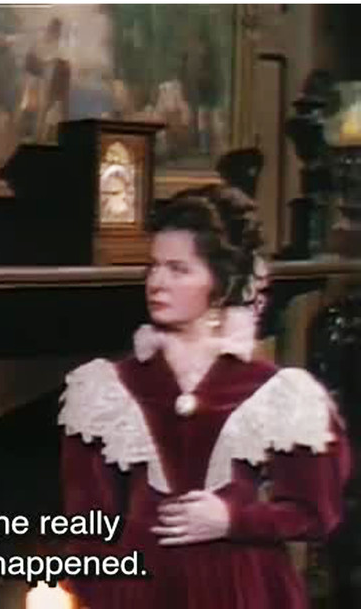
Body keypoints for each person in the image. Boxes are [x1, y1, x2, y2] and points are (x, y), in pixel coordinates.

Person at [59, 185, 351, 609]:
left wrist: (233, 520)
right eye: (153, 267)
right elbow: (85, 525)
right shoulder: (106, 389)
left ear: (220, 282)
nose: (157, 282)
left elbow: (315, 512)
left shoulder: (278, 391)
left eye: (178, 269)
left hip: (243, 588)